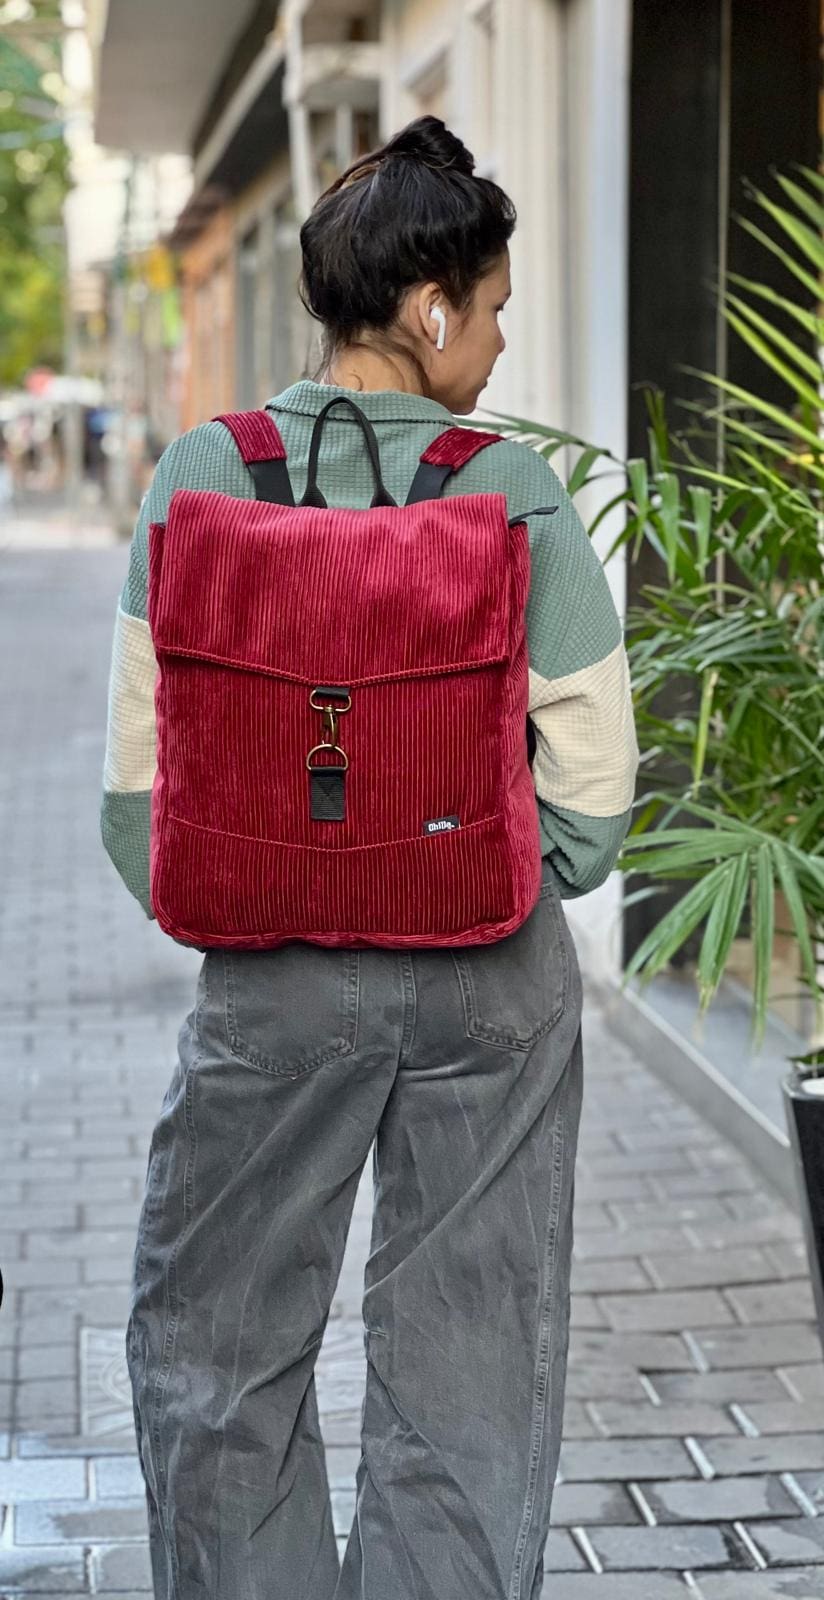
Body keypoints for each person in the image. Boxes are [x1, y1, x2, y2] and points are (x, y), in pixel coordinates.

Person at [101, 115, 639, 1600]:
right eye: (498, 311)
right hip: (486, 975)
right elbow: (592, 781)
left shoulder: (210, 468)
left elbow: (134, 781)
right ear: (430, 308)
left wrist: (243, 893)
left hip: (272, 978)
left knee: (219, 1340)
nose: (499, 346)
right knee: (472, 1342)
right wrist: (518, 881)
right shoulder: (509, 487)